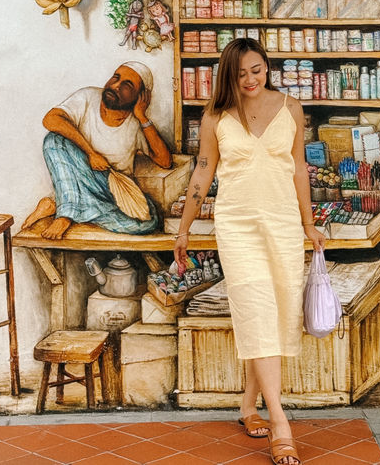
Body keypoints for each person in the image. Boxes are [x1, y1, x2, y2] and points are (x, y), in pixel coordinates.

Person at [174, 39, 325, 465]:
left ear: (267, 67)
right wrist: (184, 230)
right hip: (237, 227)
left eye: (256, 69)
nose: (250, 79)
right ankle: (281, 424)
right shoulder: (216, 117)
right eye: (240, 73)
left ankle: (247, 406)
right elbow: (203, 172)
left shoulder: (290, 108)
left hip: (281, 225)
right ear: (228, 76)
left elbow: (298, 168)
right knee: (257, 311)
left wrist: (309, 224)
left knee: (276, 313)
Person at [22, 62, 172, 239]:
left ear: (140, 97)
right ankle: (65, 215)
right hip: (79, 177)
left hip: (110, 190)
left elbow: (165, 161)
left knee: (147, 223)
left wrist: (141, 116)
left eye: (127, 85)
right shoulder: (88, 97)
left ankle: (57, 204)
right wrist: (91, 154)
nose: (116, 85)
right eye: (116, 77)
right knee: (53, 139)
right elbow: (50, 119)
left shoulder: (135, 124)